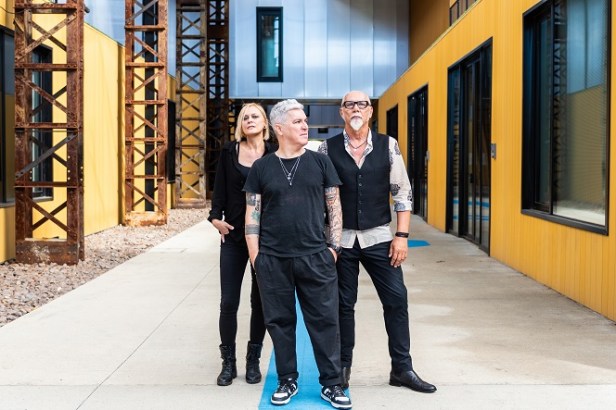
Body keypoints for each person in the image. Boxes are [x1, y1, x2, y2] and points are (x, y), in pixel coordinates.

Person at [318, 90, 437, 394]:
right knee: (343, 306)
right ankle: (342, 369)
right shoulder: (326, 148)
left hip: (380, 238)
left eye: (362, 104)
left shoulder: (388, 145)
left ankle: (402, 368)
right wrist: (325, 242)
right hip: (341, 241)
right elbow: (318, 196)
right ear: (342, 112)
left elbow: (402, 193)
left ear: (370, 111)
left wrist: (402, 236)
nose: (356, 109)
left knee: (396, 300)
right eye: (349, 105)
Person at [244, 99, 352, 409]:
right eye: (298, 122)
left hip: (316, 257)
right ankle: (287, 379)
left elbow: (334, 207)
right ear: (279, 128)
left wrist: (333, 249)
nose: (305, 126)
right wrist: (257, 259)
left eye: (305, 121)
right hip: (273, 259)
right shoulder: (262, 167)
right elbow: (252, 215)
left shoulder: (320, 162)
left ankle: (332, 384)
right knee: (280, 322)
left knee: (325, 322)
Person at [208, 102, 276, 386]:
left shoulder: (275, 153)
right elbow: (219, 188)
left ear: (265, 123)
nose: (249, 120)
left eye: (255, 116)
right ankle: (228, 363)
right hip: (234, 236)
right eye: (244, 117)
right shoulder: (229, 151)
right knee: (228, 302)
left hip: (267, 239)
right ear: (240, 125)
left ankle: (253, 360)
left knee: (260, 302)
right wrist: (215, 218)